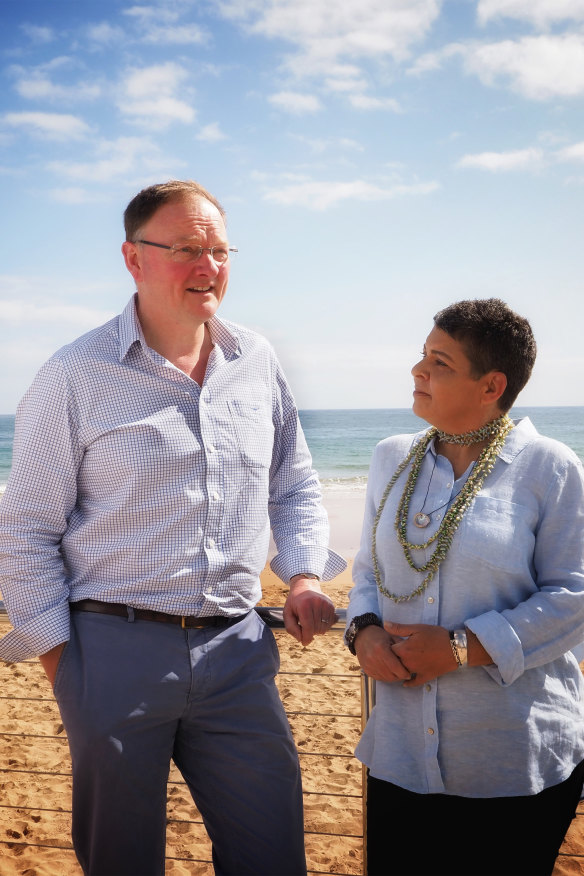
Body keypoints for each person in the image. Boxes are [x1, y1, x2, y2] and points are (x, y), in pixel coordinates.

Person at [0, 179, 346, 876]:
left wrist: (304, 572)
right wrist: (67, 666)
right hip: (111, 652)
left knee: (273, 855)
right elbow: (25, 527)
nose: (208, 267)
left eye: (219, 249)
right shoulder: (74, 374)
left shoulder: (257, 361)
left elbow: (293, 482)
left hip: (241, 651)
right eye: (187, 248)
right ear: (133, 258)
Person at [345, 298, 584, 876]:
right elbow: (368, 573)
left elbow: (573, 595)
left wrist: (459, 648)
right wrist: (363, 631)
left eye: (440, 362)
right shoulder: (391, 458)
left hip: (510, 758)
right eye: (422, 356)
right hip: (400, 754)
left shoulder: (549, 467)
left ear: (491, 384)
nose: (417, 371)